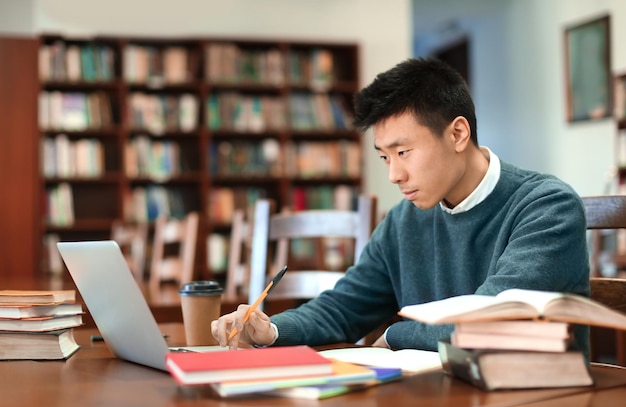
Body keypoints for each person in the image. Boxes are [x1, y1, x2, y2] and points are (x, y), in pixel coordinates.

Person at [211, 57, 590, 355]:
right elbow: (345, 307)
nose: (394, 174)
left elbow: (490, 320)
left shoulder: (547, 207)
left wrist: (395, 335)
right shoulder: (403, 221)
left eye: (404, 152)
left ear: (458, 133)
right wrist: (271, 328)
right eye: (384, 157)